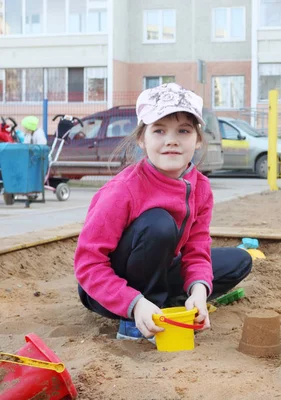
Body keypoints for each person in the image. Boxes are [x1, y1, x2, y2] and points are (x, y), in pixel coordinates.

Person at [74, 83, 252, 342]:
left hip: (161, 266)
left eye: (183, 130)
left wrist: (199, 290)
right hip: (108, 291)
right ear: (141, 139)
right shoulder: (123, 190)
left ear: (198, 139)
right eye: (159, 130)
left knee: (239, 260)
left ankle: (169, 302)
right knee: (159, 224)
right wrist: (134, 303)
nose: (172, 140)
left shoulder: (200, 186)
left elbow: (197, 248)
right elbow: (88, 264)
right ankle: (137, 318)